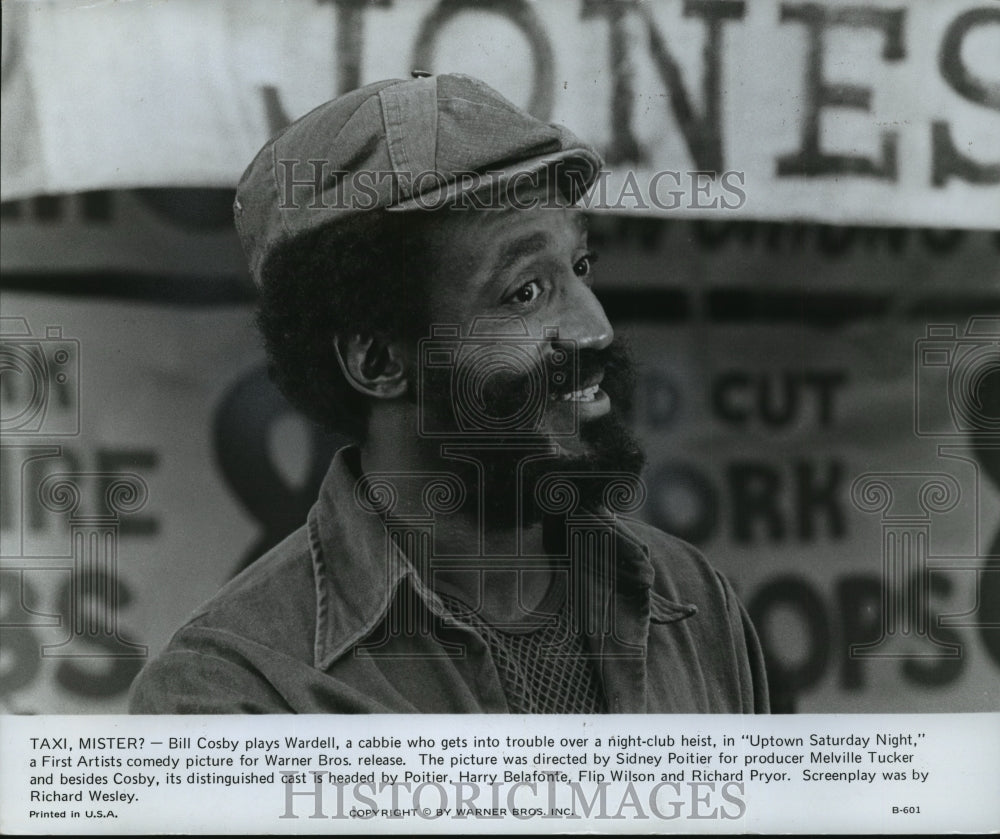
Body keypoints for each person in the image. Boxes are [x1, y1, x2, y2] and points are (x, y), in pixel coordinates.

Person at [129, 73, 769, 714]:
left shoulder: (692, 603)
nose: (594, 329)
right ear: (378, 361)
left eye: (579, 268)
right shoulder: (236, 695)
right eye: (524, 292)